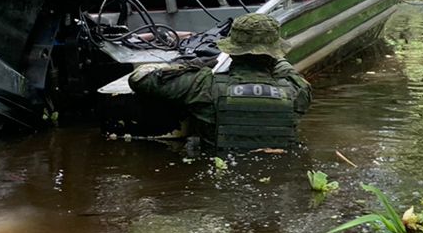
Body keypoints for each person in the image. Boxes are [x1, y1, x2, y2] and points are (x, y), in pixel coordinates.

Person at [128, 13, 312, 150]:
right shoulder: (298, 90)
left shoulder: (204, 84)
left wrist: (192, 65)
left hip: (219, 167)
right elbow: (286, 69)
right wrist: (273, 55)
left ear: (232, 51)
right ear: (274, 53)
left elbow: (139, 78)